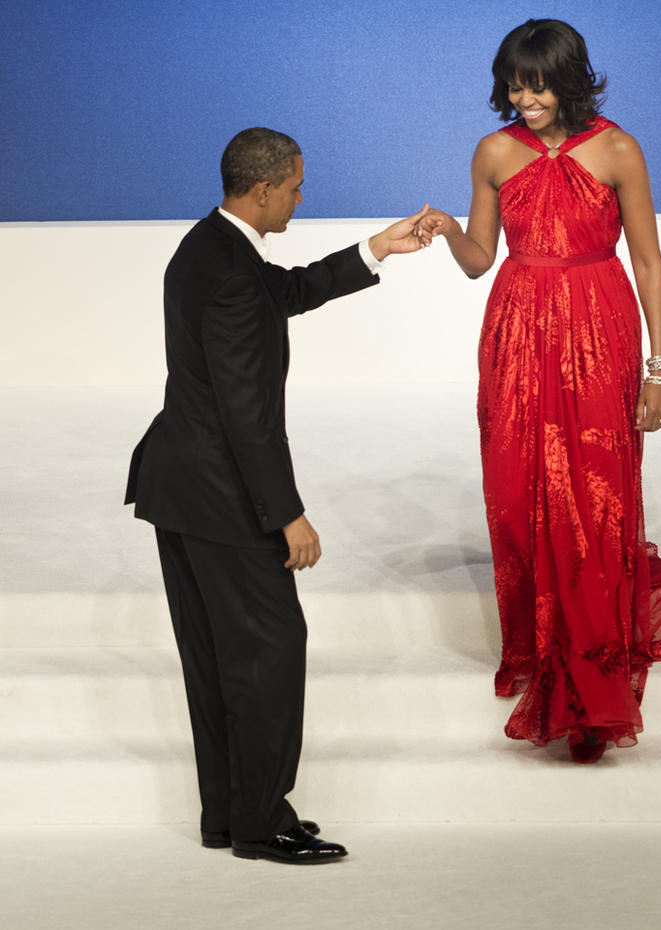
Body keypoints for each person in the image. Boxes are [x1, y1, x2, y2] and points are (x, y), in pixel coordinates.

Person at [125, 127, 431, 863]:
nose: (301, 195)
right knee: (268, 649)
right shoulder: (229, 269)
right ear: (262, 189)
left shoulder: (211, 247)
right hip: (222, 495)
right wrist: (287, 514)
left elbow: (286, 291)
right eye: (295, 186)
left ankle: (229, 816)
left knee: (216, 658)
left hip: (179, 489)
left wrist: (376, 249)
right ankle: (260, 823)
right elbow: (245, 413)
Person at [421, 19, 661, 764]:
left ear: (568, 79)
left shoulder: (617, 150)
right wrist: (447, 227)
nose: (524, 98)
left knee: (593, 497)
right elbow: (480, 261)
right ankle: (540, 652)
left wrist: (658, 371)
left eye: (536, 84)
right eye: (514, 84)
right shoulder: (494, 153)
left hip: (599, 333)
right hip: (515, 336)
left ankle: (591, 684)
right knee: (517, 493)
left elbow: (649, 264)